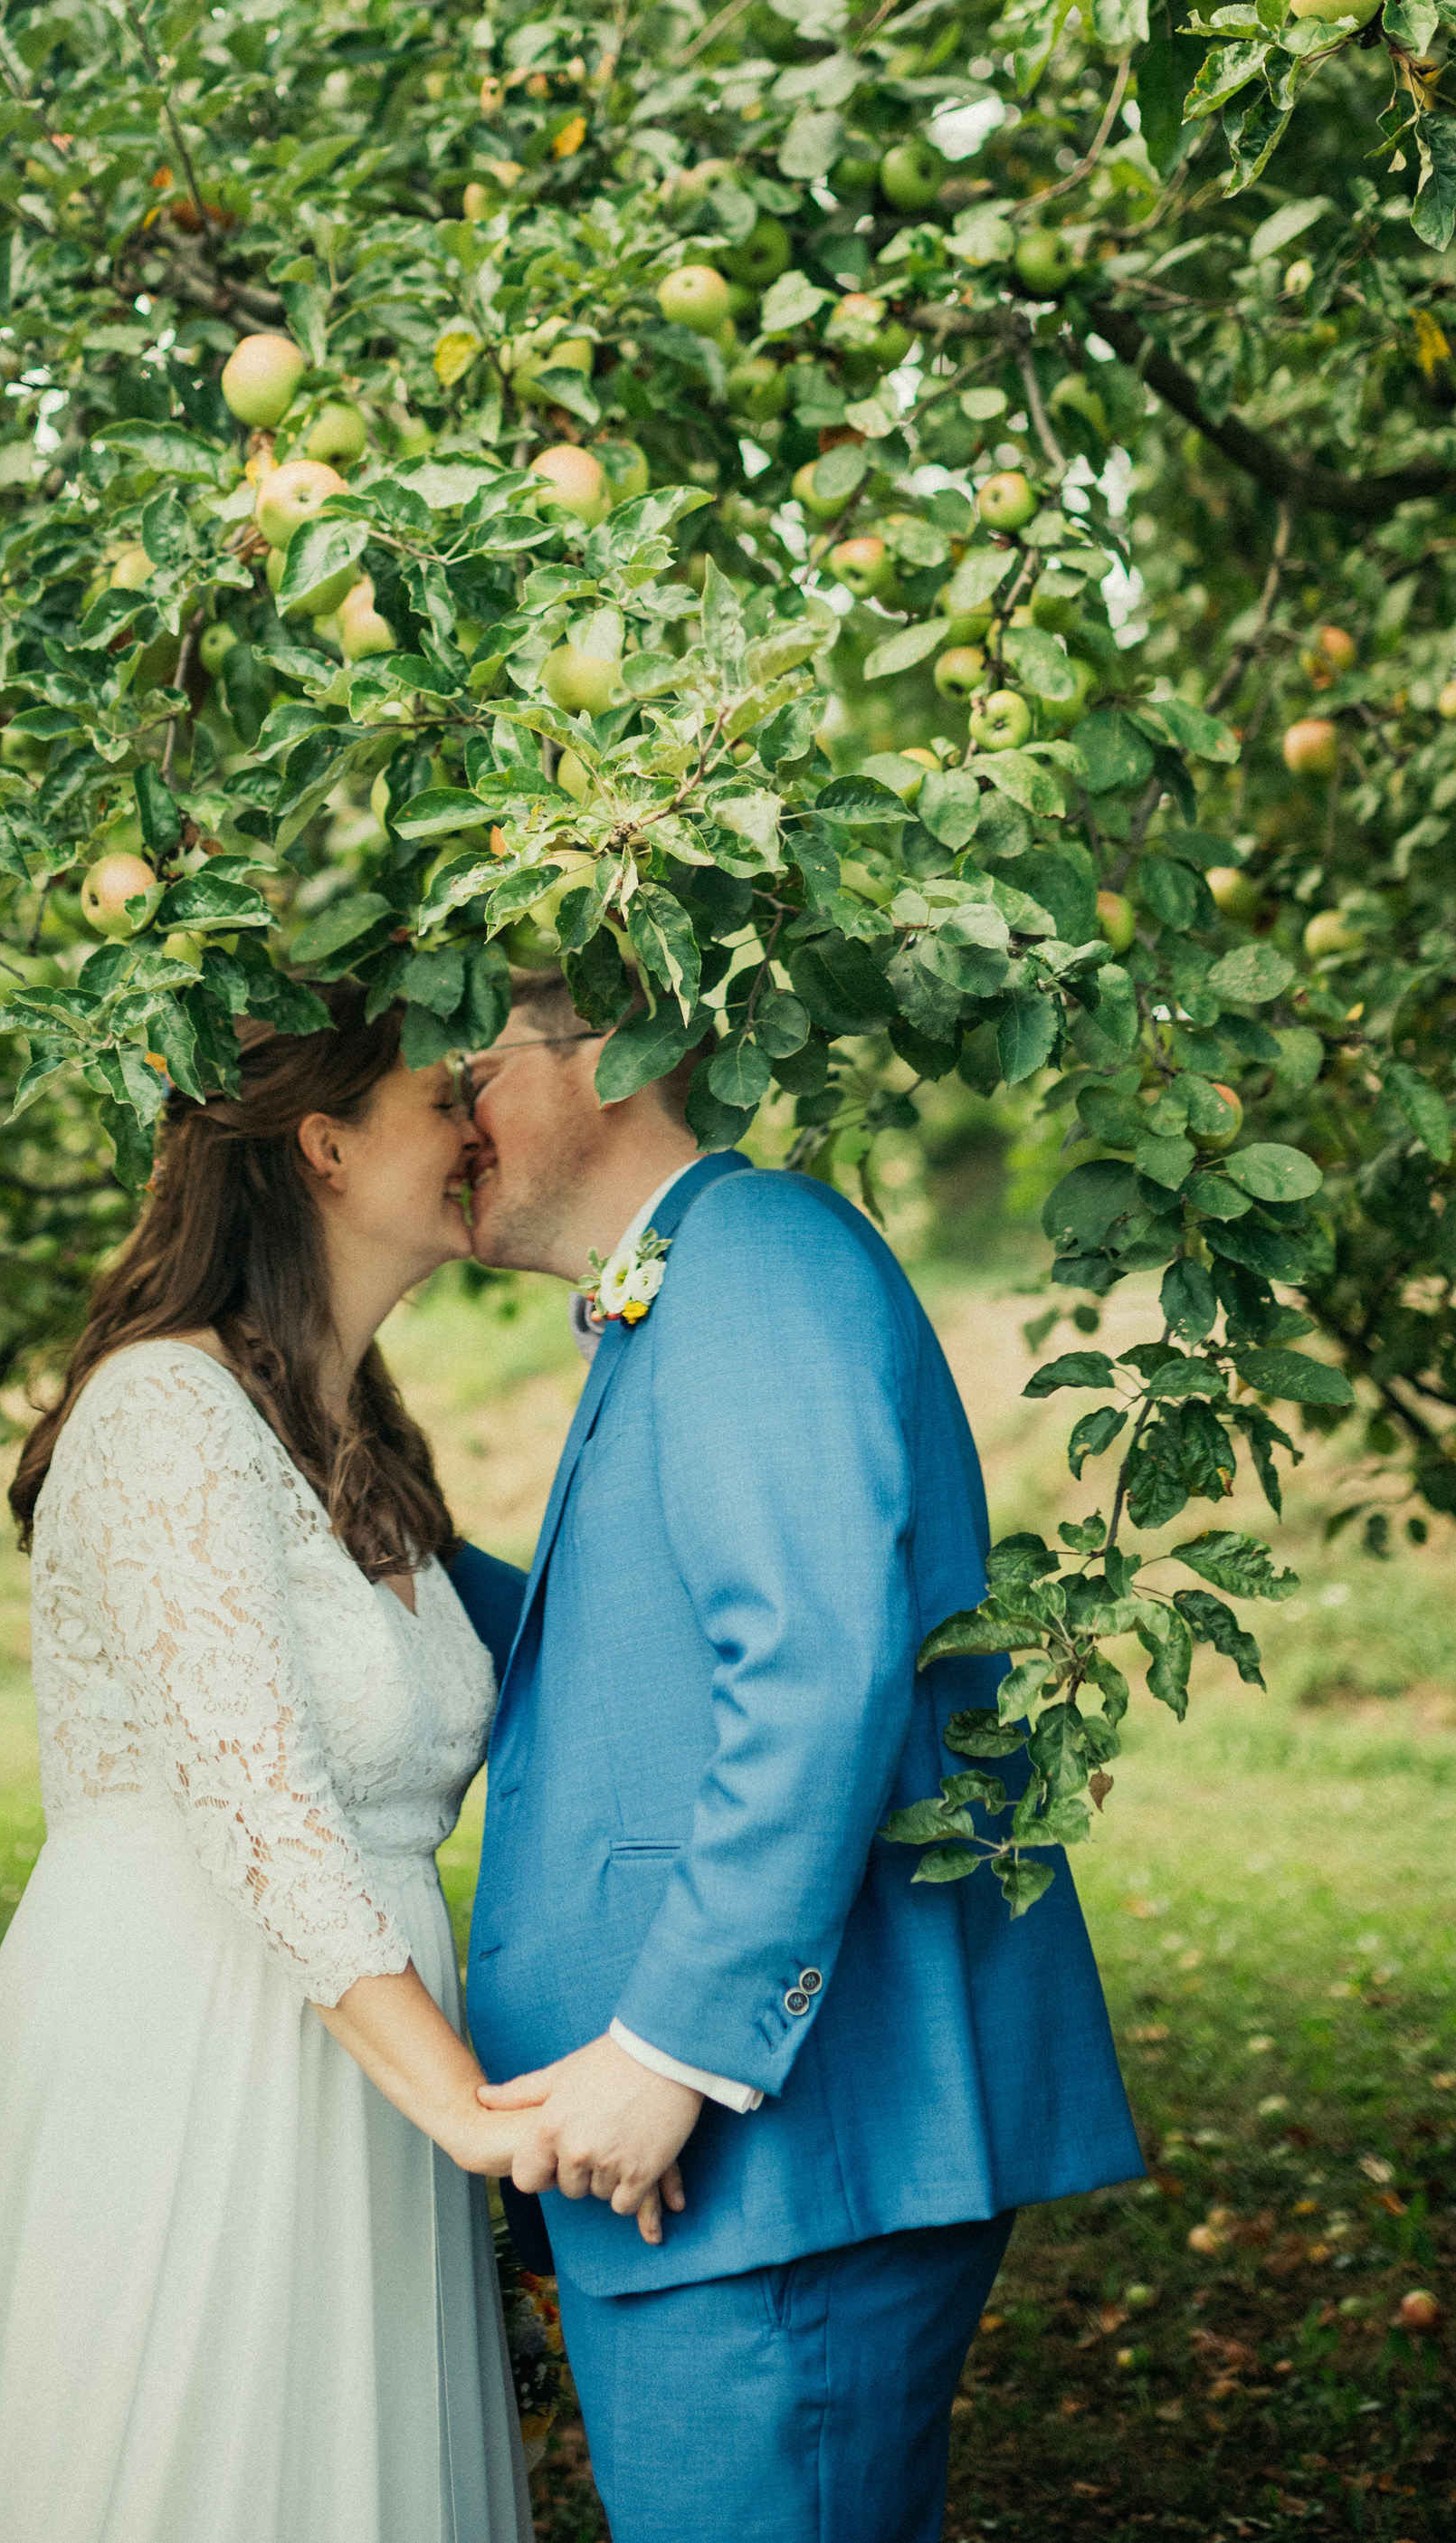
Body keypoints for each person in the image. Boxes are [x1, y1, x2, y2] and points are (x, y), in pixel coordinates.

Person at [461, 974, 1147, 2543]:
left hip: (784, 2151)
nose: (457, 1112)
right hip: (749, 2184)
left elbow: (816, 1661)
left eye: (477, 1067)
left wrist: (670, 2048)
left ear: (609, 1064)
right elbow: (645, 1663)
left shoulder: (759, 1254)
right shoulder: (681, 1293)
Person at [0, 986, 538, 2543]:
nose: (483, 1125)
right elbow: (264, 1811)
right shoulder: (164, 1409)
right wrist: (474, 2113)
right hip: (194, 2029)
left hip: (367, 2041)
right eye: (446, 1097)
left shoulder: (357, 1434)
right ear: (323, 1143)